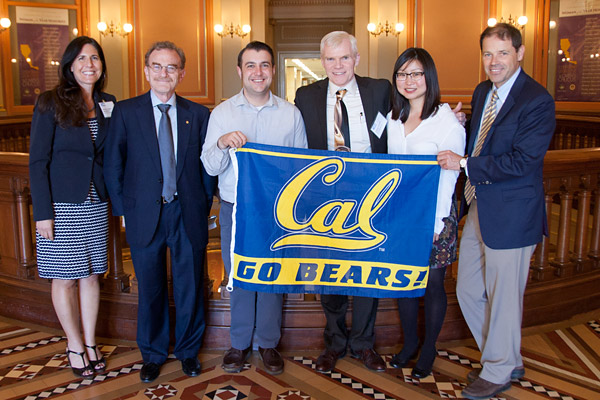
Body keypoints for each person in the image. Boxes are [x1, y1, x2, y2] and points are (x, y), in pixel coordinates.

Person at [437, 23, 555, 399]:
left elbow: (522, 160)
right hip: (480, 207)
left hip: (514, 214)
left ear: (519, 53)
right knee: (470, 289)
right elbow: (487, 137)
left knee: (504, 295)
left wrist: (466, 163)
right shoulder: (483, 90)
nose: (494, 61)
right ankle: (506, 354)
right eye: (488, 53)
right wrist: (462, 125)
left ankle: (499, 367)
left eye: (503, 53)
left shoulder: (537, 100)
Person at [104, 41, 215, 383]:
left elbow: (206, 169)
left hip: (187, 213)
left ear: (182, 73)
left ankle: (187, 351)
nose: (163, 73)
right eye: (157, 66)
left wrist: (202, 205)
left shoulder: (198, 115)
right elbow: (113, 164)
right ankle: (152, 354)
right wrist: (125, 211)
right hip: (144, 216)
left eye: (171, 67)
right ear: (146, 71)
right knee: (150, 288)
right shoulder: (126, 111)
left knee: (189, 287)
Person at [201, 41, 307, 375]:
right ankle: (239, 343)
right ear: (239, 71)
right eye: (251, 65)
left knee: (273, 275)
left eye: (264, 65)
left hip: (278, 211)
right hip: (237, 207)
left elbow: (301, 165)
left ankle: (269, 343)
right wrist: (220, 143)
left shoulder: (291, 114)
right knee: (240, 274)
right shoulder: (222, 114)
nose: (258, 72)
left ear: (273, 71)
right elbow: (209, 166)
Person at [294, 31, 391, 373]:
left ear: (357, 59)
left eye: (344, 58)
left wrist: (449, 119)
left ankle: (364, 344)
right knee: (330, 273)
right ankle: (334, 343)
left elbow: (408, 123)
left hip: (371, 194)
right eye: (331, 59)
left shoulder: (380, 90)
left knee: (367, 275)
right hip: (327, 198)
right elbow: (293, 142)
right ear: (323, 61)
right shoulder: (306, 95)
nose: (338, 65)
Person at [29, 36, 115, 378]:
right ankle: (74, 345)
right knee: (65, 278)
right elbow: (38, 161)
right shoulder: (50, 102)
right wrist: (43, 213)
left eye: (94, 58)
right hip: (62, 206)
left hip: (96, 203)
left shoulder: (109, 103)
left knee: (92, 274)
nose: (89, 64)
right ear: (69, 64)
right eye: (81, 59)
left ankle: (91, 342)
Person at [386, 48, 465, 379]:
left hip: (435, 218)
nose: (409, 81)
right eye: (402, 74)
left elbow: (449, 179)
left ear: (428, 77)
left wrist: (434, 225)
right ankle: (410, 343)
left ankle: (429, 348)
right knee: (405, 282)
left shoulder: (447, 123)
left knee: (433, 285)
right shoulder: (393, 119)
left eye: (416, 73)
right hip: (401, 217)